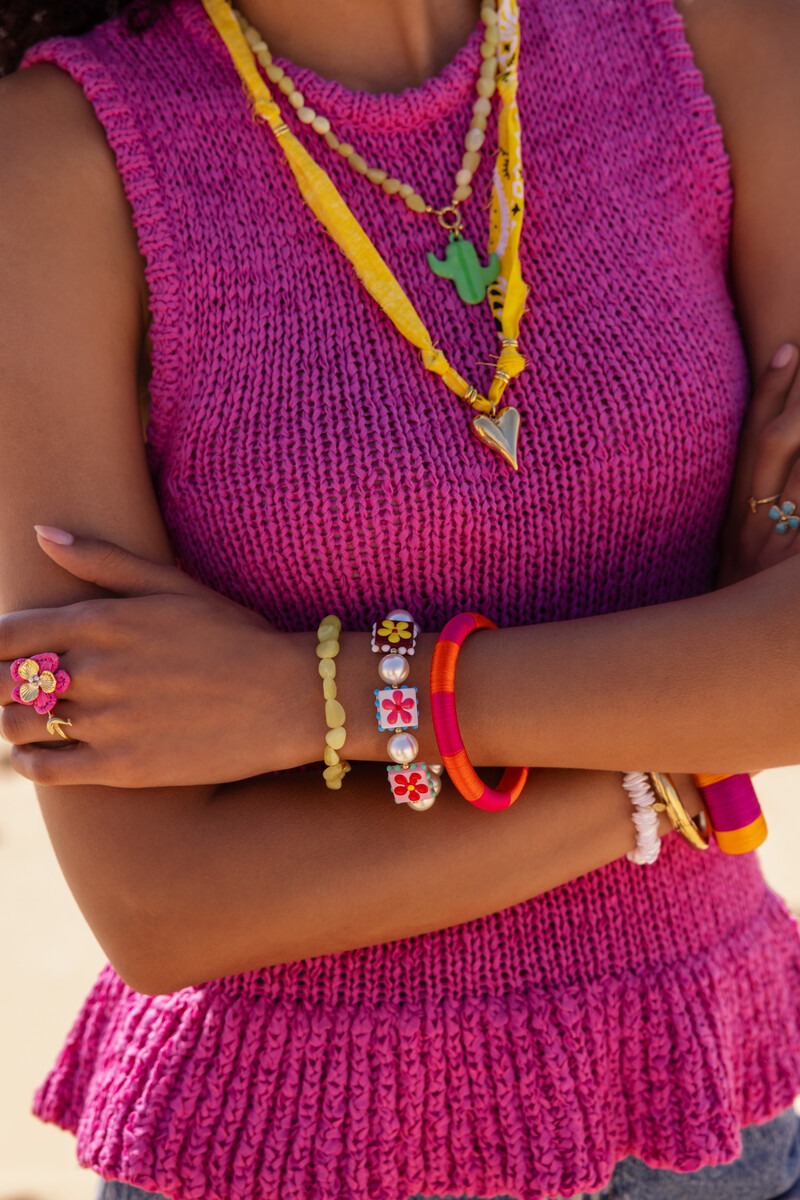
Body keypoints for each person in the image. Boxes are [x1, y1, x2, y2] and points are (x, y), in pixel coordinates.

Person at [1, 1, 800, 1197]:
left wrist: (303, 695)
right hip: (273, 1152)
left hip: (711, 1129)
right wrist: (689, 746)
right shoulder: (50, 161)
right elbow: (159, 906)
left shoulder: (714, 33)